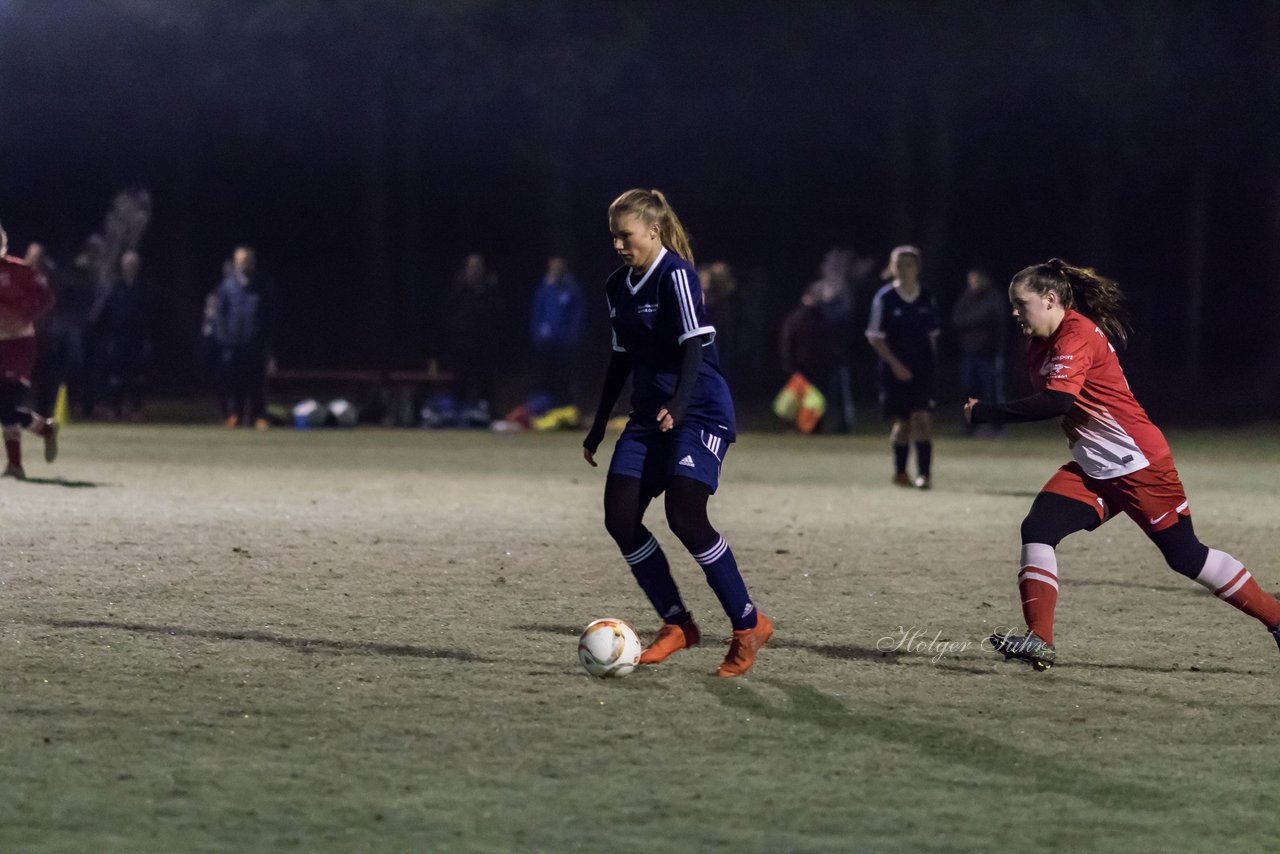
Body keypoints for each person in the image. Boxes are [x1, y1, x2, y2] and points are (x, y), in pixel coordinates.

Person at [966, 259, 1280, 671]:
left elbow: (1057, 401)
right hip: (1096, 468)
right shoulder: (1040, 342)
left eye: (1019, 304)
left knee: (1186, 556)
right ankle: (1039, 640)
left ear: (1049, 299)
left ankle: (1276, 619)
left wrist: (986, 412)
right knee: (1039, 527)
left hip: (1139, 466)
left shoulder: (1075, 334)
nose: (1014, 312)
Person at [582, 188, 772, 678]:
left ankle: (748, 625)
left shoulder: (677, 274)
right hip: (649, 418)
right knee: (620, 519)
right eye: (613, 238)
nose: (619, 246)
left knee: (685, 515)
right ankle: (678, 623)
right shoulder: (616, 286)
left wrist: (679, 406)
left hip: (701, 410)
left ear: (653, 231)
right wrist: (600, 423)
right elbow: (620, 358)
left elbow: (694, 347)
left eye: (625, 236)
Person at [866, 245, 939, 488]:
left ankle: (925, 475)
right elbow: (875, 337)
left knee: (923, 418)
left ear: (917, 268)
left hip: (922, 369)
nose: (904, 269)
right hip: (893, 370)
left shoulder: (926, 296)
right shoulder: (884, 298)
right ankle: (900, 472)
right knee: (902, 423)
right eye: (899, 264)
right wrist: (896, 365)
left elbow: (932, 335)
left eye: (909, 264)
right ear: (893, 268)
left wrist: (931, 365)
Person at [0, 223, 59, 479]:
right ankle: (43, 428)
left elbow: (46, 298)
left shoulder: (19, 270)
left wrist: (25, 316)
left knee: (6, 404)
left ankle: (15, 465)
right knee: (4, 407)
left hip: (16, 345)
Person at [214, 246, 277, 429]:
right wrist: (224, 338)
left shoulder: (263, 285)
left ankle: (259, 416)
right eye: (240, 261)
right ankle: (235, 415)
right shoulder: (227, 286)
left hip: (255, 344)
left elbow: (271, 315)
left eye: (246, 261)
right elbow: (220, 314)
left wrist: (266, 341)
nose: (243, 265)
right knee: (234, 383)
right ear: (235, 263)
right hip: (233, 344)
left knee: (256, 382)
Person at [95, 250, 152, 420]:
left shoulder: (143, 287)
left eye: (133, 264)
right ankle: (114, 408)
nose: (130, 267)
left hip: (137, 339)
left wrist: (147, 338)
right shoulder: (115, 287)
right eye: (127, 264)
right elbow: (104, 314)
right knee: (115, 378)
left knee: (137, 378)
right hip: (117, 339)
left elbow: (148, 314)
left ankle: (136, 409)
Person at [446, 253, 501, 425]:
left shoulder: (489, 289)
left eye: (477, 266)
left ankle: (487, 415)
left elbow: (498, 313)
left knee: (485, 381)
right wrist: (457, 330)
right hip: (462, 343)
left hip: (484, 343)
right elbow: (448, 312)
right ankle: (457, 415)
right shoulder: (458, 288)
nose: (475, 270)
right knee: (461, 380)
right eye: (472, 266)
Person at [951, 268, 1007, 436]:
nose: (973, 283)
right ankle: (970, 426)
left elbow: (989, 317)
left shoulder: (993, 297)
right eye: (971, 280)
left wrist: (972, 321)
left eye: (976, 279)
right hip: (970, 353)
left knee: (991, 392)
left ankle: (995, 427)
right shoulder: (966, 298)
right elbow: (957, 319)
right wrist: (973, 321)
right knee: (969, 390)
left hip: (988, 353)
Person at [528, 256, 584, 408]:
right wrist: (537, 335)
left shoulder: (571, 289)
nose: (556, 271)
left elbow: (577, 315)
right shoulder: (544, 289)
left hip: (564, 344)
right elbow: (537, 313)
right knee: (544, 376)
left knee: (564, 377)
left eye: (559, 267)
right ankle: (542, 407)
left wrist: (572, 337)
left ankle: (565, 407)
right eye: (553, 268)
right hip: (545, 344)